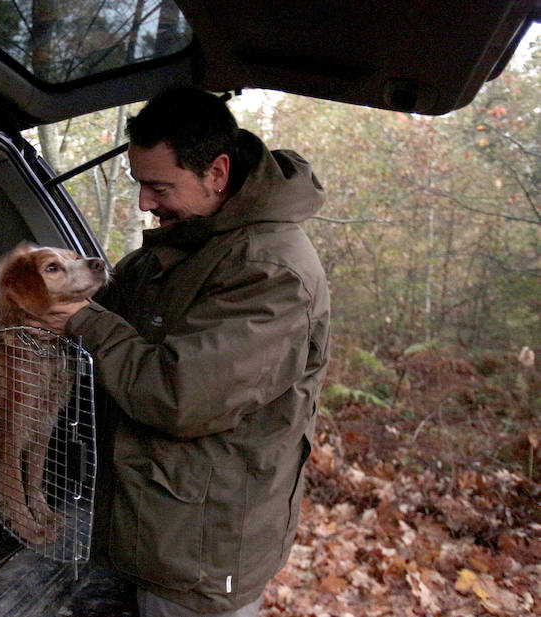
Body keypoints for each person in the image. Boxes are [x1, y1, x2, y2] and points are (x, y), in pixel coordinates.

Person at [32, 86, 331, 617]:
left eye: (157, 186)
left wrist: (85, 322)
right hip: (131, 526)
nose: (144, 202)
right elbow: (115, 315)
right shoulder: (186, 238)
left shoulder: (271, 272)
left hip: (198, 558)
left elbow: (179, 394)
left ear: (217, 173)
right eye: (139, 184)